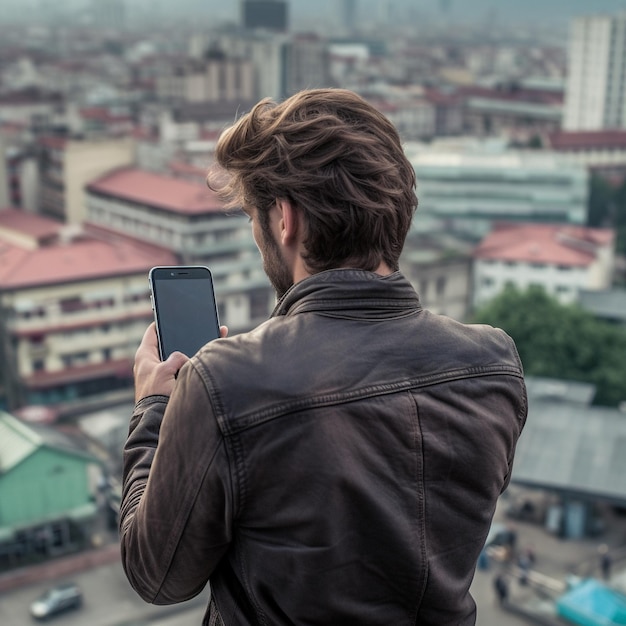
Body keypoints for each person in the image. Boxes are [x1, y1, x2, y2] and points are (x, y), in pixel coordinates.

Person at [119, 88, 528, 625]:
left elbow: (157, 574)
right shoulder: (496, 365)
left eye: (254, 217)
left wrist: (154, 408)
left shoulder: (223, 383)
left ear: (284, 219)